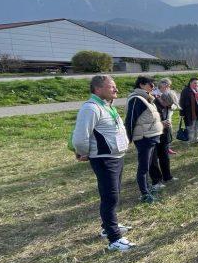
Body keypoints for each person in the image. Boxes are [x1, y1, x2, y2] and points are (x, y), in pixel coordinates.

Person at [72, 75, 135, 251]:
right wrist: (83, 152)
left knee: (114, 194)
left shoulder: (106, 105)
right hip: (104, 159)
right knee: (110, 197)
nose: (116, 89)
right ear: (98, 89)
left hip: (116, 157)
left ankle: (107, 227)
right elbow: (80, 136)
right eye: (112, 87)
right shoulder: (91, 108)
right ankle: (114, 238)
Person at [125, 76, 164, 203]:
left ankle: (148, 187)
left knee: (149, 164)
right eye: (151, 85)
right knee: (144, 167)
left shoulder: (146, 98)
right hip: (144, 138)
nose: (153, 87)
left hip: (151, 137)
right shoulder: (136, 99)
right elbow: (130, 120)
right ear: (141, 85)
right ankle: (144, 193)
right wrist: (128, 139)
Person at [150, 79, 178, 190]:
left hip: (164, 133)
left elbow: (171, 108)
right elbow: (147, 122)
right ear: (163, 99)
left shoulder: (168, 104)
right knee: (153, 159)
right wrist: (161, 123)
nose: (169, 106)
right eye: (168, 104)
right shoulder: (153, 104)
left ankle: (167, 176)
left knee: (165, 156)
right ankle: (156, 181)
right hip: (154, 134)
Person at [179, 77, 198, 143]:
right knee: (190, 126)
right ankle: (190, 140)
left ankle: (197, 139)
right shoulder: (185, 91)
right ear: (190, 83)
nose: (196, 84)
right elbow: (181, 102)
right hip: (188, 112)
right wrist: (182, 113)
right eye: (195, 83)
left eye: (197, 83)